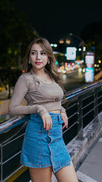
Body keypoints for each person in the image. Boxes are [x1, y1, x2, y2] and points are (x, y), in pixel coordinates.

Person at [9, 38, 78, 182]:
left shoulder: (52, 76)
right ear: (29, 58)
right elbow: (13, 108)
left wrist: (62, 111)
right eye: (34, 53)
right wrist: (39, 109)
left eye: (42, 53)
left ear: (48, 57)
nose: (38, 57)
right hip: (38, 137)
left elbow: (55, 101)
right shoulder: (26, 79)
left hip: (57, 138)